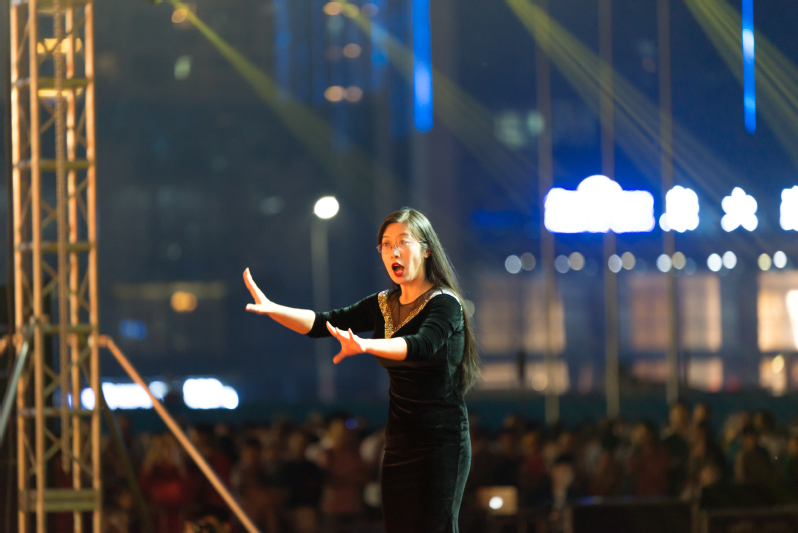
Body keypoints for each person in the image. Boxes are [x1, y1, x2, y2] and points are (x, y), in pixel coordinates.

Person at [243, 207, 480, 533]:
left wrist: (365, 345)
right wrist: (273, 310)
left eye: (403, 242)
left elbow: (419, 345)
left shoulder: (445, 303)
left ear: (426, 249)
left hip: (441, 442)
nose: (393, 251)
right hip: (398, 443)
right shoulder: (383, 304)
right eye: (386, 244)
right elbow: (321, 323)